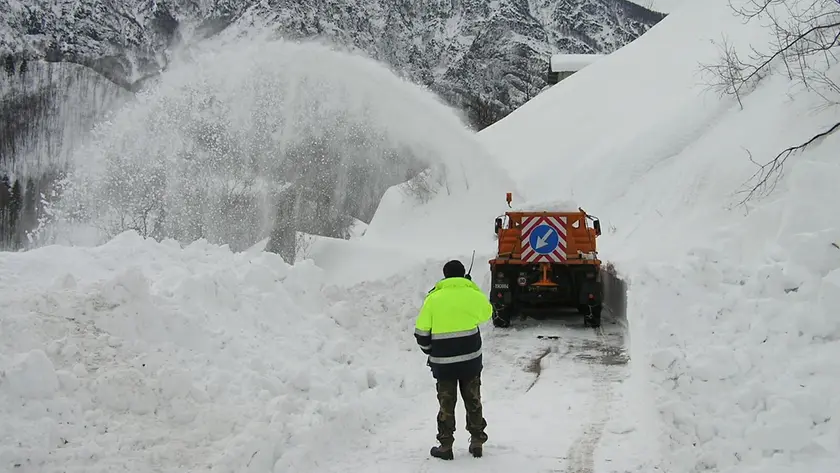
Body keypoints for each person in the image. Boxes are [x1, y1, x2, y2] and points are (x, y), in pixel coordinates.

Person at [414, 259, 493, 460]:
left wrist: (430, 351)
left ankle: (445, 446)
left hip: (444, 364)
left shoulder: (433, 298)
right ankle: (477, 441)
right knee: (473, 400)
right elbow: (487, 313)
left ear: (445, 275)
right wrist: (471, 287)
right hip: (471, 361)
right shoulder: (473, 294)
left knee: (446, 403)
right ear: (463, 274)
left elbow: (421, 333)